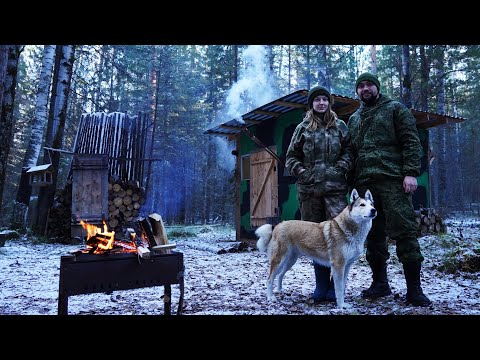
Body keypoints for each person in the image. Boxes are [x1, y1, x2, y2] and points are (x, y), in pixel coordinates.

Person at [347, 72, 431, 307]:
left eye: (369, 85)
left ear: (377, 87)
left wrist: (411, 172)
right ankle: (380, 284)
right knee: (373, 236)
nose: (365, 89)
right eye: (361, 86)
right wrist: (351, 185)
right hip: (365, 186)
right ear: (357, 90)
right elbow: (351, 153)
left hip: (393, 181)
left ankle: (414, 290)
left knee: (405, 232)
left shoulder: (395, 109)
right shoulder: (354, 119)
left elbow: (411, 141)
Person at [285, 85, 352, 303]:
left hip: (335, 192)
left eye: (324, 99)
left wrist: (340, 168)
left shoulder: (340, 126)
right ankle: (321, 285)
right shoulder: (302, 128)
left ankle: (335, 286)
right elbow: (291, 157)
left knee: (340, 237)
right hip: (309, 192)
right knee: (315, 238)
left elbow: (350, 151)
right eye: (317, 100)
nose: (321, 103)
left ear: (329, 103)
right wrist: (302, 172)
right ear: (311, 104)